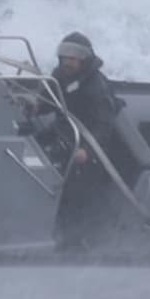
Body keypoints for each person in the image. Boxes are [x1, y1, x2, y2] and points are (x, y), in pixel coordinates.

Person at [47, 32, 120, 241]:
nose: (68, 62)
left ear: (84, 59)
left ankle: (72, 240)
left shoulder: (96, 87)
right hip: (64, 132)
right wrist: (35, 106)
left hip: (90, 145)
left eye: (73, 58)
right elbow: (49, 100)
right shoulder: (60, 75)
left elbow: (104, 125)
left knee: (75, 192)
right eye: (65, 57)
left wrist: (86, 150)